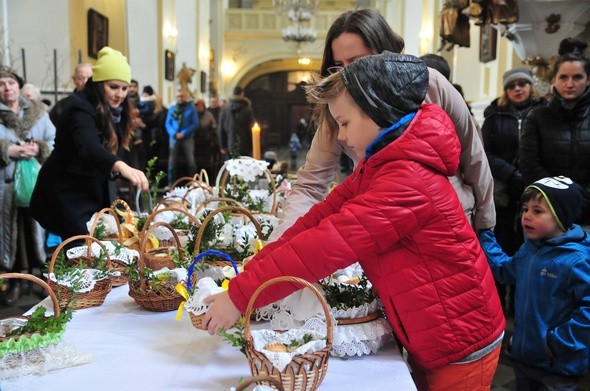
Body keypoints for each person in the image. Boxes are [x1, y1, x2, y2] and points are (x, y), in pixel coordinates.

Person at [203, 52, 505, 390]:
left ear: (378, 113)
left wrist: (241, 296)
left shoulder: (407, 179)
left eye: (345, 123)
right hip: (434, 333)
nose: (341, 137)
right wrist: (249, 276)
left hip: (460, 342)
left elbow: (324, 245)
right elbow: (316, 220)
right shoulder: (384, 164)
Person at [269, 8, 495, 241]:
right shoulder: (338, 104)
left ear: (384, 53)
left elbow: (473, 157)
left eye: (357, 62)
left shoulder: (430, 83)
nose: (348, 75)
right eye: (339, 66)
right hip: (387, 228)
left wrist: (486, 228)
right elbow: (310, 185)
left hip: (449, 226)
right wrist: (278, 243)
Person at [479, 176, 590, 390]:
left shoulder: (578, 260)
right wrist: (485, 237)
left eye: (537, 211)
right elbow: (504, 271)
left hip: (558, 367)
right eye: (524, 209)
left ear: (561, 216)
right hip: (524, 358)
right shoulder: (530, 249)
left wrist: (555, 344)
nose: (526, 217)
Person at [30, 47, 148, 240]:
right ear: (99, 83)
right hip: (67, 192)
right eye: (114, 87)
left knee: (95, 251)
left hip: (91, 191)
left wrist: (123, 172)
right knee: (79, 252)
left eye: (124, 88)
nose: (120, 94)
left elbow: (111, 149)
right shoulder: (78, 107)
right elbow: (88, 145)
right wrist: (119, 165)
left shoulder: (117, 112)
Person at [481, 67, 547, 313]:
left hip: (535, 191)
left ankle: (521, 308)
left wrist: (529, 176)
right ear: (505, 91)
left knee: (527, 249)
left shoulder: (542, 113)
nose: (518, 88)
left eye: (522, 83)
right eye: (512, 85)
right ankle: (498, 308)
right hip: (503, 193)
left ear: (531, 86)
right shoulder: (494, 116)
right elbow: (485, 153)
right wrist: (512, 174)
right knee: (501, 246)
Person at [519, 38, 590, 225]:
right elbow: (529, 164)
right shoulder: (537, 117)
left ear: (588, 79)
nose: (570, 84)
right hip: (547, 212)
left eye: (577, 77)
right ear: (554, 79)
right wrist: (559, 198)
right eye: (563, 77)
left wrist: (582, 200)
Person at [0, 65, 55, 304]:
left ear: (19, 86)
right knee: (12, 232)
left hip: (35, 183)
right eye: (1, 84)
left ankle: (41, 279)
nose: (7, 88)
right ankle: (16, 281)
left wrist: (39, 148)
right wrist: (7, 149)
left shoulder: (38, 113)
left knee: (38, 227)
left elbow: (55, 140)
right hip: (6, 185)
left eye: (11, 83)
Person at [164, 89, 198, 186]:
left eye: (182, 96)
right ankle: (171, 185)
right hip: (174, 138)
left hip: (187, 137)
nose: (180, 98)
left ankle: (193, 183)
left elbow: (195, 124)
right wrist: (174, 133)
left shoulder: (191, 108)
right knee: (172, 163)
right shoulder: (172, 108)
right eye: (178, 96)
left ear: (185, 97)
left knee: (191, 162)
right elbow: (168, 124)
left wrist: (184, 133)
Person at [218, 86, 255, 158]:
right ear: (242, 94)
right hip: (244, 145)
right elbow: (251, 129)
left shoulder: (225, 110)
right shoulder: (247, 110)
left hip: (230, 145)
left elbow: (221, 129)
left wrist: (222, 146)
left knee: (230, 167)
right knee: (244, 167)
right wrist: (253, 146)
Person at [194, 98, 219, 179]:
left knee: (206, 162)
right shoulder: (193, 114)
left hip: (206, 141)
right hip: (195, 141)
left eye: (201, 105)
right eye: (198, 105)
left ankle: (207, 178)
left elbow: (214, 125)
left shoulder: (208, 115)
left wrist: (210, 133)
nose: (200, 107)